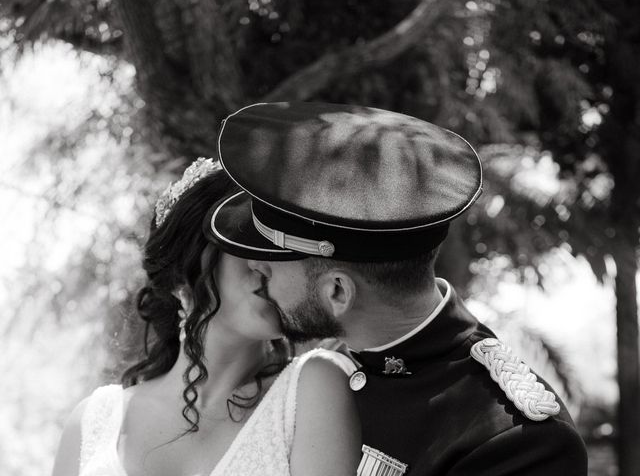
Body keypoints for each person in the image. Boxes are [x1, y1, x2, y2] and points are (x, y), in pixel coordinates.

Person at [205, 102, 589, 476]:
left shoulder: (519, 442)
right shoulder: (314, 368)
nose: (256, 271)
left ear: (338, 292)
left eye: (271, 268)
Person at [51, 159, 361, 476]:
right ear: (183, 269)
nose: (266, 265)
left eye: (277, 247)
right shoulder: (91, 423)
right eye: (243, 240)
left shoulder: (311, 388)